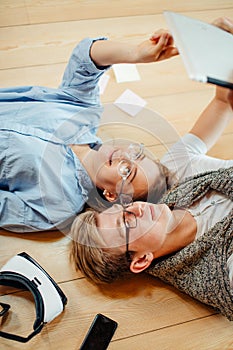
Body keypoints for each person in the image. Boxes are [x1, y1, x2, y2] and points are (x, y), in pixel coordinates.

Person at [0, 29, 179, 232]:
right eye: (136, 154)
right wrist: (136, 53)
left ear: (110, 194)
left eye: (128, 171)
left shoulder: (60, 207)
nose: (124, 156)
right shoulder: (84, 111)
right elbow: (87, 55)